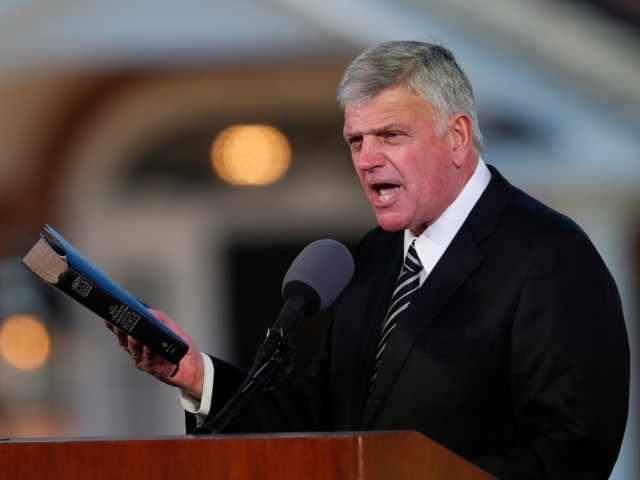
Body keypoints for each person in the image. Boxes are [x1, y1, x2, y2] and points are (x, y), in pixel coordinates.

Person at [107, 40, 630, 479]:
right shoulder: (376, 257)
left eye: (390, 135)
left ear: (458, 136)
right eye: (355, 140)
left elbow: (571, 453)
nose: (367, 159)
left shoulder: (549, 257)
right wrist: (198, 376)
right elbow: (318, 420)